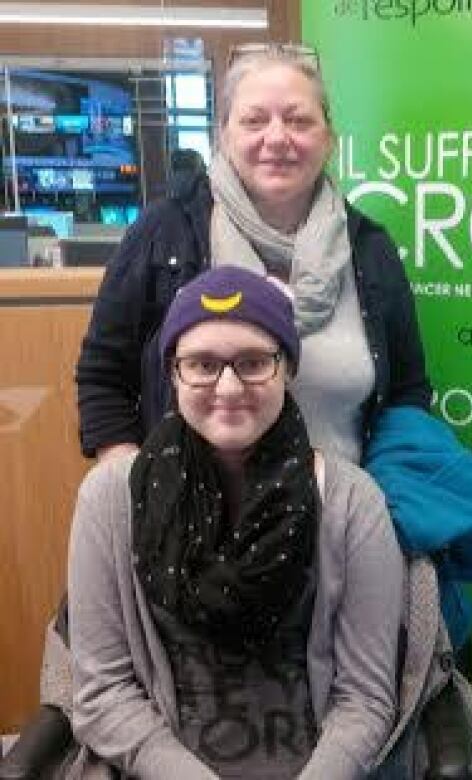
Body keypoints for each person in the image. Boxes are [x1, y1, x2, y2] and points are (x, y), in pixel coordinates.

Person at [67, 267, 405, 779]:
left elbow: (365, 700)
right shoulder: (110, 500)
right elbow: (102, 693)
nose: (228, 387)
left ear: (286, 368)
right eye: (202, 364)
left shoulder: (352, 503)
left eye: (252, 363)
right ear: (173, 373)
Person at [75, 43, 430, 468]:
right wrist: (132, 485)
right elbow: (103, 377)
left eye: (298, 120)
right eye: (254, 120)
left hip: (337, 520)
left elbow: (408, 393)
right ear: (224, 135)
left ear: (329, 139)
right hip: (192, 524)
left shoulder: (370, 249)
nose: (277, 137)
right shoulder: (164, 233)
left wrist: (375, 503)